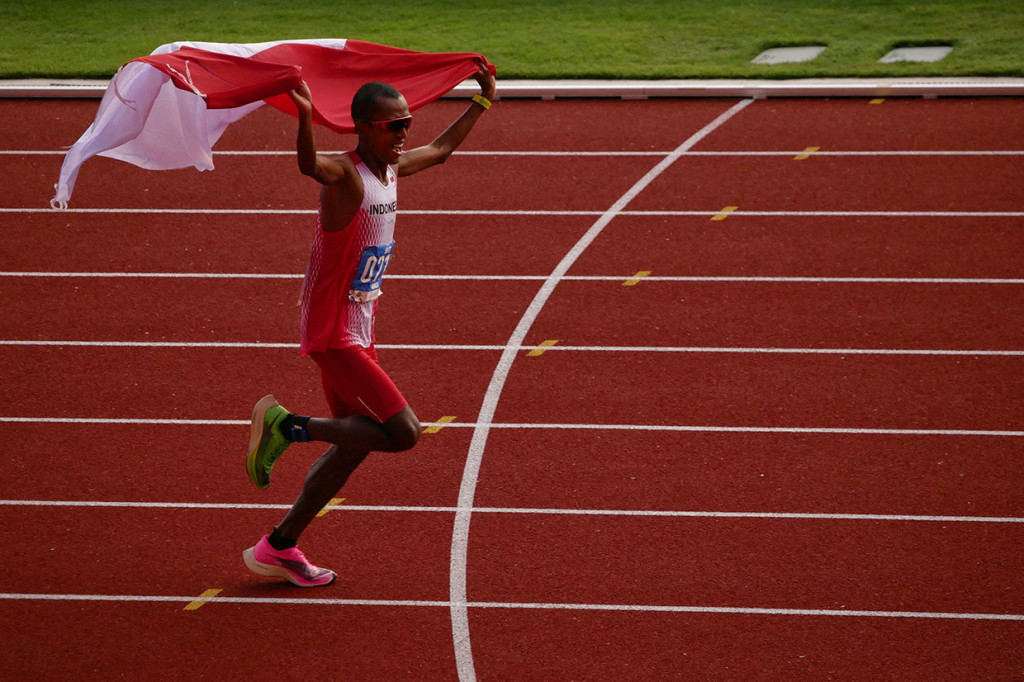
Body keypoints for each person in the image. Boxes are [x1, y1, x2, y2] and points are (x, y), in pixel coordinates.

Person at [242, 62, 496, 587]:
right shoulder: (346, 175)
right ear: (364, 128)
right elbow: (310, 166)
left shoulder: (391, 171)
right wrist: (305, 117)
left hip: (360, 326)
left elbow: (443, 151)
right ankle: (287, 427)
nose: (406, 133)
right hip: (335, 331)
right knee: (404, 433)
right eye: (394, 126)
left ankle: (280, 545)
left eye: (408, 123)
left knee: (356, 444)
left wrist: (482, 102)